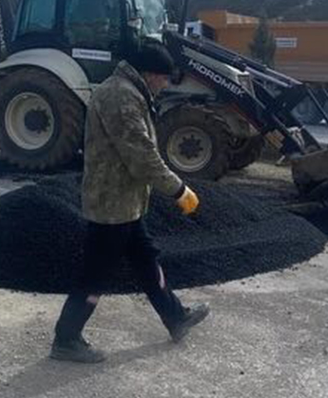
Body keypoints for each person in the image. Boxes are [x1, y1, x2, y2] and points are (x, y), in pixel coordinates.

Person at [50, 41, 210, 363]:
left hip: (126, 202)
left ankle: (175, 317)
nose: (165, 85)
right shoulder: (120, 97)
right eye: (163, 79)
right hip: (111, 205)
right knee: (95, 275)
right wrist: (179, 190)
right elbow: (141, 156)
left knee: (146, 260)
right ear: (150, 74)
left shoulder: (131, 92)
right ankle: (66, 339)